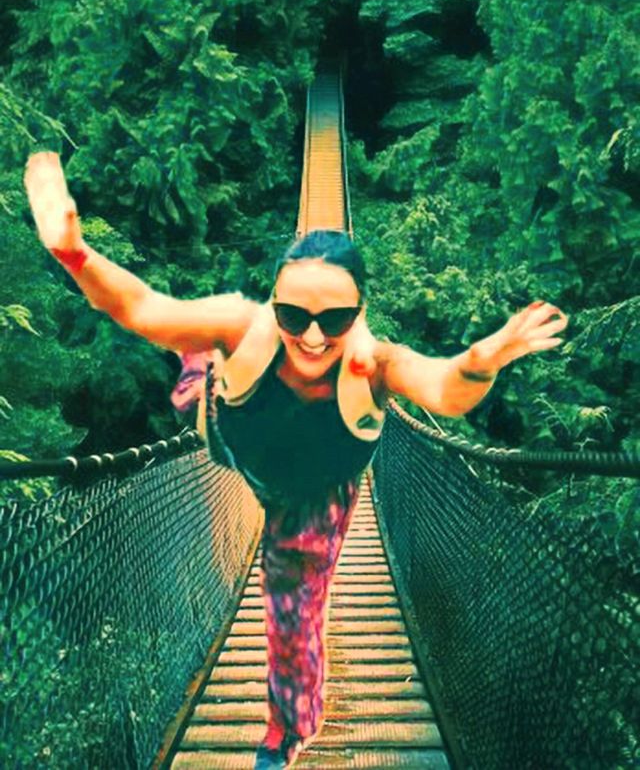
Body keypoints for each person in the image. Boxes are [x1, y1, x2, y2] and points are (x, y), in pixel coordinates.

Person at [24, 152, 568, 769]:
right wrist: (73, 253)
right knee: (191, 362)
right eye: (293, 316)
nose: (312, 337)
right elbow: (142, 308)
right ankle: (198, 361)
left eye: (334, 319)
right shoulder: (245, 325)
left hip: (313, 491)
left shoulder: (374, 366)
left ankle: (289, 729)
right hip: (230, 437)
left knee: (295, 614)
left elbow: (444, 389)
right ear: (274, 303)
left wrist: (481, 361)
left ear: (360, 312)